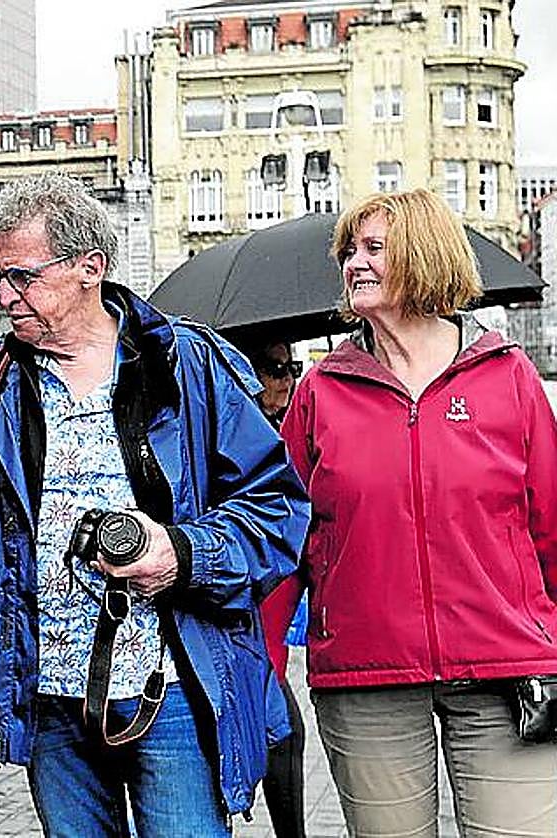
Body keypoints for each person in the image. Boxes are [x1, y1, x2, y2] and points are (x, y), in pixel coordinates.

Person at [0, 172, 310, 836]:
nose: (6, 298)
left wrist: (181, 553)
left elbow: (278, 511)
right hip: (46, 700)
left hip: (177, 695)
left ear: (88, 269)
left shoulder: (186, 364)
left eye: (22, 277)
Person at [266, 189, 557, 836]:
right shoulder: (321, 391)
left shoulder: (507, 378)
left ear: (424, 256)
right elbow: (283, 542)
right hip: (366, 676)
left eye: (374, 248)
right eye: (349, 251)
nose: (353, 264)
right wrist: (266, 665)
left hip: (507, 671)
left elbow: (551, 529)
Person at [237, 337, 307, 838]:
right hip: (235, 643)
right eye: (274, 367)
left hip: (271, 647)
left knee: (286, 739)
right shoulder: (229, 440)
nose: (285, 378)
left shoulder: (293, 437)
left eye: (291, 366)